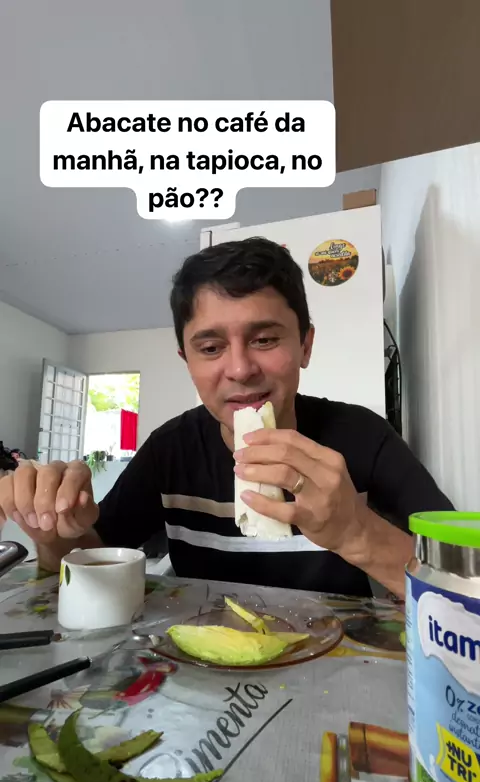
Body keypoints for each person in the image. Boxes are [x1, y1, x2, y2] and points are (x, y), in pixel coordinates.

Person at [0, 238, 453, 598]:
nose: (239, 369)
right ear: (188, 360)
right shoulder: (169, 451)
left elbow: (465, 581)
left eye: (265, 339)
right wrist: (52, 532)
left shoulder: (363, 437)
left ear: (305, 346)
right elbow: (88, 564)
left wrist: (356, 532)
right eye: (211, 347)